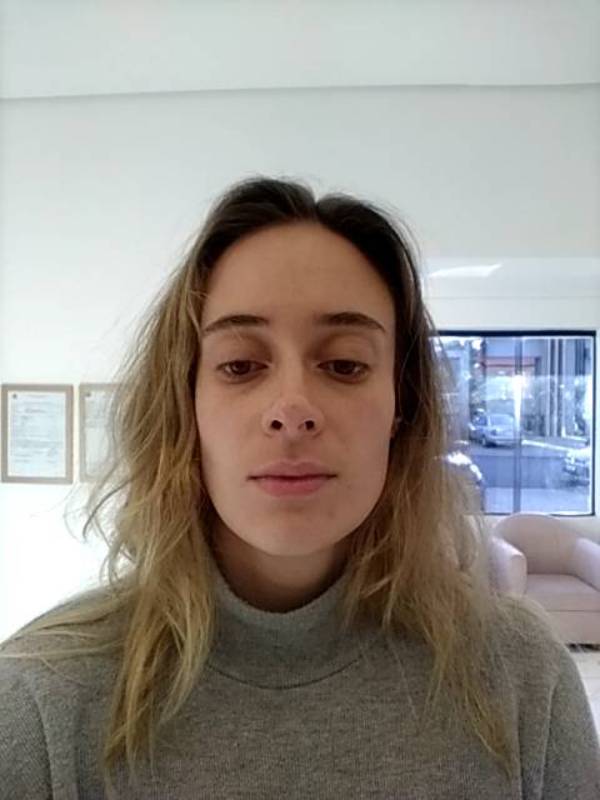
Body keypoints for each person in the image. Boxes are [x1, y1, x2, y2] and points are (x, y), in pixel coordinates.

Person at [1, 175, 599, 799]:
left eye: (344, 364)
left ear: (402, 408)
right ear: (186, 404)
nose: (292, 410)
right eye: (240, 365)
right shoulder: (38, 701)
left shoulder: (524, 681)